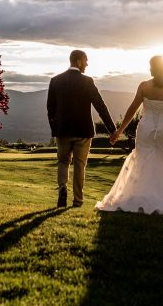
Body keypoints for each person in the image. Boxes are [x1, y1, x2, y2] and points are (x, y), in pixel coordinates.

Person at [97, 55, 163, 215]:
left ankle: (141, 197)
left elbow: (132, 109)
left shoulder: (144, 86)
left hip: (145, 128)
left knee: (143, 160)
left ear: (154, 68)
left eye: (150, 66)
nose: (149, 69)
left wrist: (119, 130)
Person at [47, 50, 117, 208]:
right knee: (80, 164)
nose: (87, 64)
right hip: (83, 130)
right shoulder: (87, 81)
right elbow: (100, 106)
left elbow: (50, 110)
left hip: (62, 130)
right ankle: (77, 200)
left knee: (63, 161)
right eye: (86, 61)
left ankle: (62, 188)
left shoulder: (55, 81)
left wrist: (55, 129)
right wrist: (112, 129)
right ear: (78, 61)